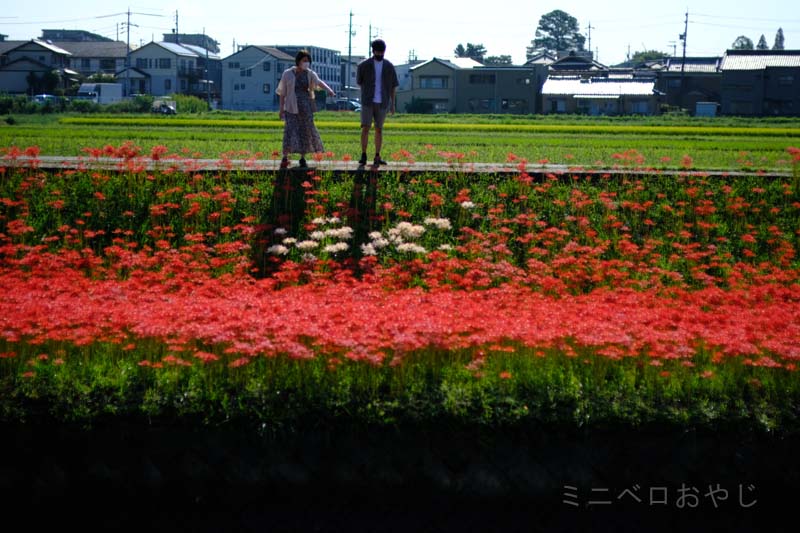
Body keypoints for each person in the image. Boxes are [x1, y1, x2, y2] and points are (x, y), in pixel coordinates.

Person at [276, 50, 336, 168]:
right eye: (304, 61)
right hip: (291, 107)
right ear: (298, 61)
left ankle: (302, 157)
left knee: (305, 131)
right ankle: (285, 156)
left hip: (306, 107)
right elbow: (282, 93)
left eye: (308, 61)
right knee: (290, 131)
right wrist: (281, 109)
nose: (306, 63)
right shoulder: (287, 74)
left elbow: (319, 82)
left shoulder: (310, 74)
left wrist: (329, 90)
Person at [356, 39, 399, 166]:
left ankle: (377, 155)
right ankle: (363, 155)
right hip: (367, 101)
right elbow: (359, 81)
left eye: (382, 52)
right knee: (365, 128)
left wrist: (392, 104)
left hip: (383, 102)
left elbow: (393, 86)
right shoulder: (363, 65)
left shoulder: (389, 66)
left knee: (379, 129)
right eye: (377, 52)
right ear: (373, 51)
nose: (380, 54)